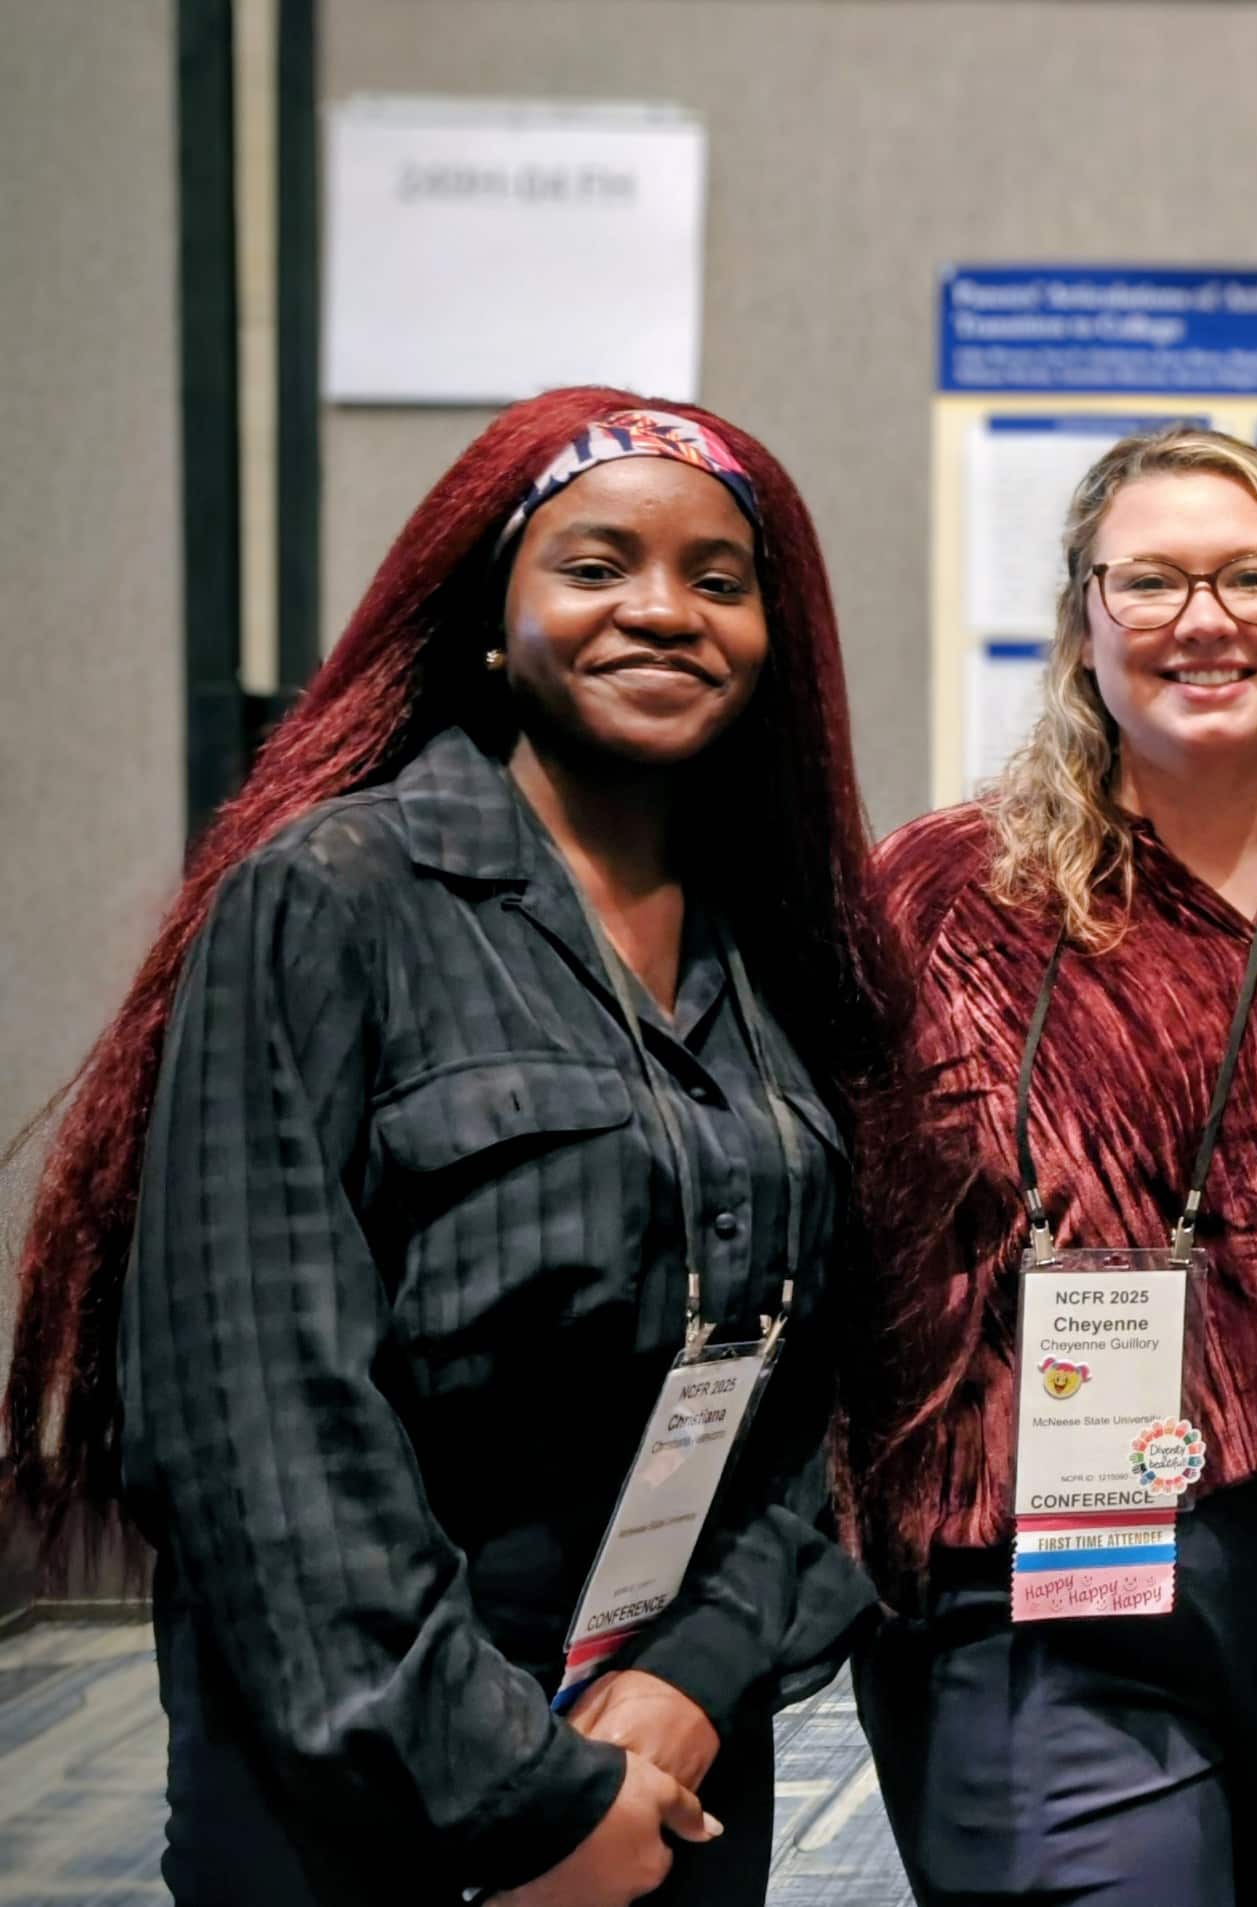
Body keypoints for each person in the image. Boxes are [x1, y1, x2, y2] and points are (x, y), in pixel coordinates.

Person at [0, 391, 899, 1905]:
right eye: (597, 566)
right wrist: (520, 1795)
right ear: (493, 615)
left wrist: (696, 1677)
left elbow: (817, 1392)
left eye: (719, 582)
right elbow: (254, 1419)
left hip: (669, 1757)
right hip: (366, 1781)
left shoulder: (784, 956)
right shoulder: (333, 896)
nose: (663, 612)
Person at [835, 426, 1257, 1907]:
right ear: (1080, 620)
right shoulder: (946, 899)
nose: (1206, 619)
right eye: (1153, 582)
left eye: (1253, 575)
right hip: (1038, 1596)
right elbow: (846, 1246)